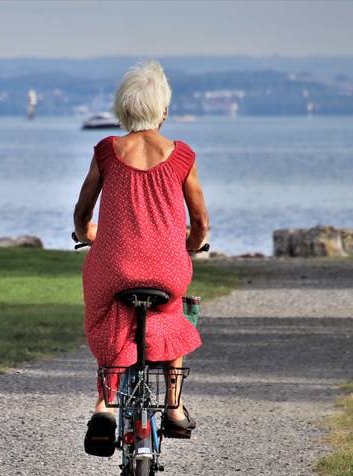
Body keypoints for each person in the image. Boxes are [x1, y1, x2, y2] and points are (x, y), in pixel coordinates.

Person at [73, 60, 210, 455]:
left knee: (110, 312)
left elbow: (83, 214)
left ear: (122, 109)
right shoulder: (182, 155)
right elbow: (200, 220)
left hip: (114, 266)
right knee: (173, 314)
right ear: (163, 110)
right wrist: (193, 243)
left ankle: (106, 407)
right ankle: (174, 405)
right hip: (166, 269)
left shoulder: (107, 151)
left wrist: (87, 235)